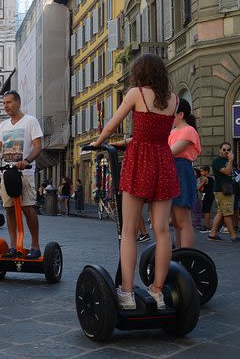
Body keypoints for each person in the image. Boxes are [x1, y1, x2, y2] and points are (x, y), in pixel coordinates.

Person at [89, 53, 180, 310]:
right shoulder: (174, 101)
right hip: (163, 161)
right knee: (163, 232)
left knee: (128, 231)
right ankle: (158, 292)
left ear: (140, 73)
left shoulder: (136, 94)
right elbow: (156, 132)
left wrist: (98, 142)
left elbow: (110, 127)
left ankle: (126, 293)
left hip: (140, 160)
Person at [0, 90, 43, 259]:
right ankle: (13, 245)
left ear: (18, 103)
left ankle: (35, 245)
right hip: (7, 173)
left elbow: (37, 147)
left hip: (25, 173)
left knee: (28, 209)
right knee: (9, 209)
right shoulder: (3, 126)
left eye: (9, 102)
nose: (6, 106)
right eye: (4, 103)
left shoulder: (30, 121)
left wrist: (26, 161)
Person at [168, 98, 201, 248]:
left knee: (183, 220)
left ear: (180, 114)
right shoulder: (173, 131)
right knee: (175, 220)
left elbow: (171, 152)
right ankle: (181, 254)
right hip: (172, 171)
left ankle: (187, 257)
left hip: (181, 171)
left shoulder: (188, 130)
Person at [207, 142, 240, 242]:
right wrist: (230, 160)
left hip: (228, 190)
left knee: (221, 212)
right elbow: (226, 171)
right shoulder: (217, 161)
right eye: (224, 149)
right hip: (222, 190)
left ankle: (212, 234)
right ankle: (233, 236)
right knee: (228, 213)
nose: (226, 152)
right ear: (220, 150)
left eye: (228, 150)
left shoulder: (227, 160)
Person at [198, 165, 214, 232]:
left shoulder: (205, 179)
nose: (201, 173)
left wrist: (201, 184)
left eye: (202, 171)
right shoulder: (212, 178)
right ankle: (207, 226)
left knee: (206, 211)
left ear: (206, 171)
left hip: (207, 196)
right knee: (207, 210)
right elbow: (203, 189)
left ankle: (207, 227)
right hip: (210, 195)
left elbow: (199, 188)